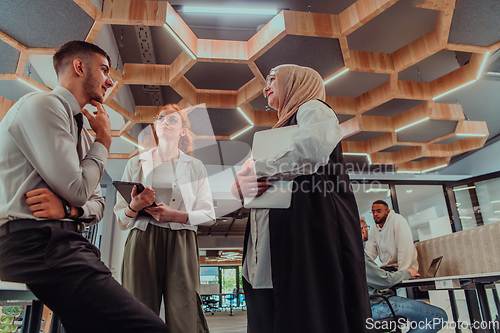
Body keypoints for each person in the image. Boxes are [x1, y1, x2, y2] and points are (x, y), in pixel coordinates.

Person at [0, 41, 169, 332]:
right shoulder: (44, 105)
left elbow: (97, 204)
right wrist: (105, 138)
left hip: (68, 243)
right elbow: (80, 191)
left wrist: (67, 209)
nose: (109, 80)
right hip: (32, 241)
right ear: (79, 67)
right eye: (104, 69)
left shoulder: (83, 138)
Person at [230, 64, 370, 333]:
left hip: (303, 240)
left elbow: (312, 150)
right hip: (272, 248)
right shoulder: (279, 132)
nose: (265, 86)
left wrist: (256, 169)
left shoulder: (313, 108)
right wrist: (242, 186)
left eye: (273, 79)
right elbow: (249, 184)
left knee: (306, 313)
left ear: (296, 82)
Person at [114, 104, 215, 333]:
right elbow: (121, 218)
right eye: (161, 119)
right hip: (142, 238)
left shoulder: (195, 166)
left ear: (182, 130)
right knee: (138, 309)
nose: (165, 123)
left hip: (182, 241)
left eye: (172, 120)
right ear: (155, 126)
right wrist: (134, 206)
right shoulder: (136, 163)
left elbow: (208, 214)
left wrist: (174, 215)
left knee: (185, 313)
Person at [361, 218, 447, 332]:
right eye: (367, 227)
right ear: (362, 229)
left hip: (367, 305)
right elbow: (383, 281)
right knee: (439, 317)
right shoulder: (357, 255)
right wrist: (407, 273)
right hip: (375, 305)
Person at [366, 200, 418, 271]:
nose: (375, 214)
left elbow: (405, 248)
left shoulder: (397, 220)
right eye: (373, 212)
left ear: (387, 211)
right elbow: (369, 254)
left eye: (379, 211)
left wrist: (403, 273)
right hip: (388, 269)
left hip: (403, 268)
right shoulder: (373, 230)